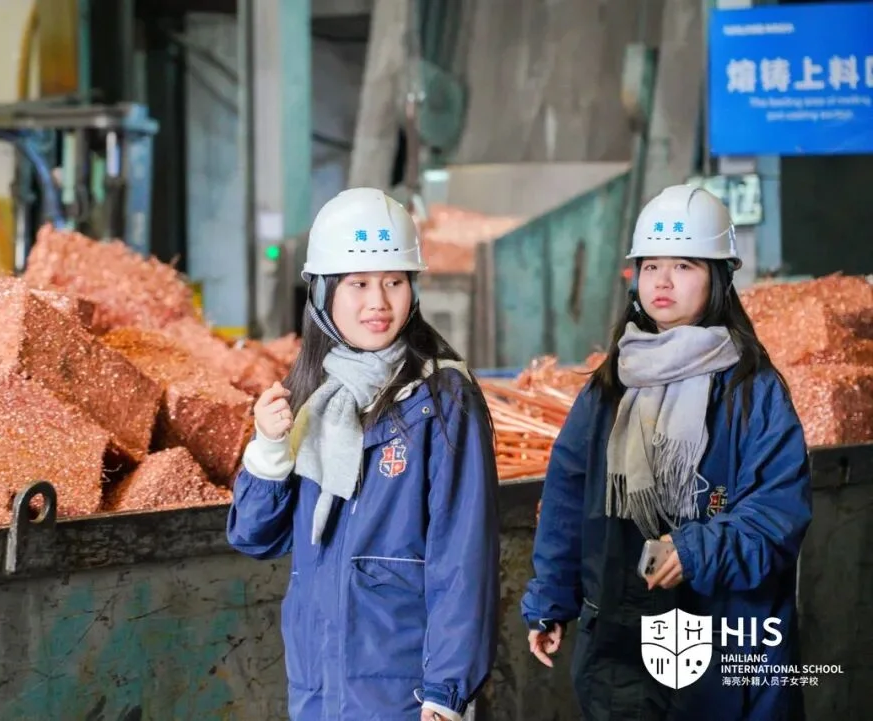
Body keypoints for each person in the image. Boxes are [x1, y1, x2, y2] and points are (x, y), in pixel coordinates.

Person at [520, 184, 812, 720]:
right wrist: (551, 598)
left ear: (719, 278)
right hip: (621, 640)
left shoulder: (752, 391)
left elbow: (778, 514)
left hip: (726, 644)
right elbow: (567, 497)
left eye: (684, 265)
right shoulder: (609, 386)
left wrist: (698, 550)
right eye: (651, 266)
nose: (662, 281)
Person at [227, 187, 500, 721]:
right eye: (358, 283)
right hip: (319, 687)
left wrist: (447, 692)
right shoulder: (313, 397)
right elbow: (255, 538)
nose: (378, 302)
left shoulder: (441, 398)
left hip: (406, 695)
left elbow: (463, 556)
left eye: (393, 281)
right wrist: (269, 450)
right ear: (323, 292)